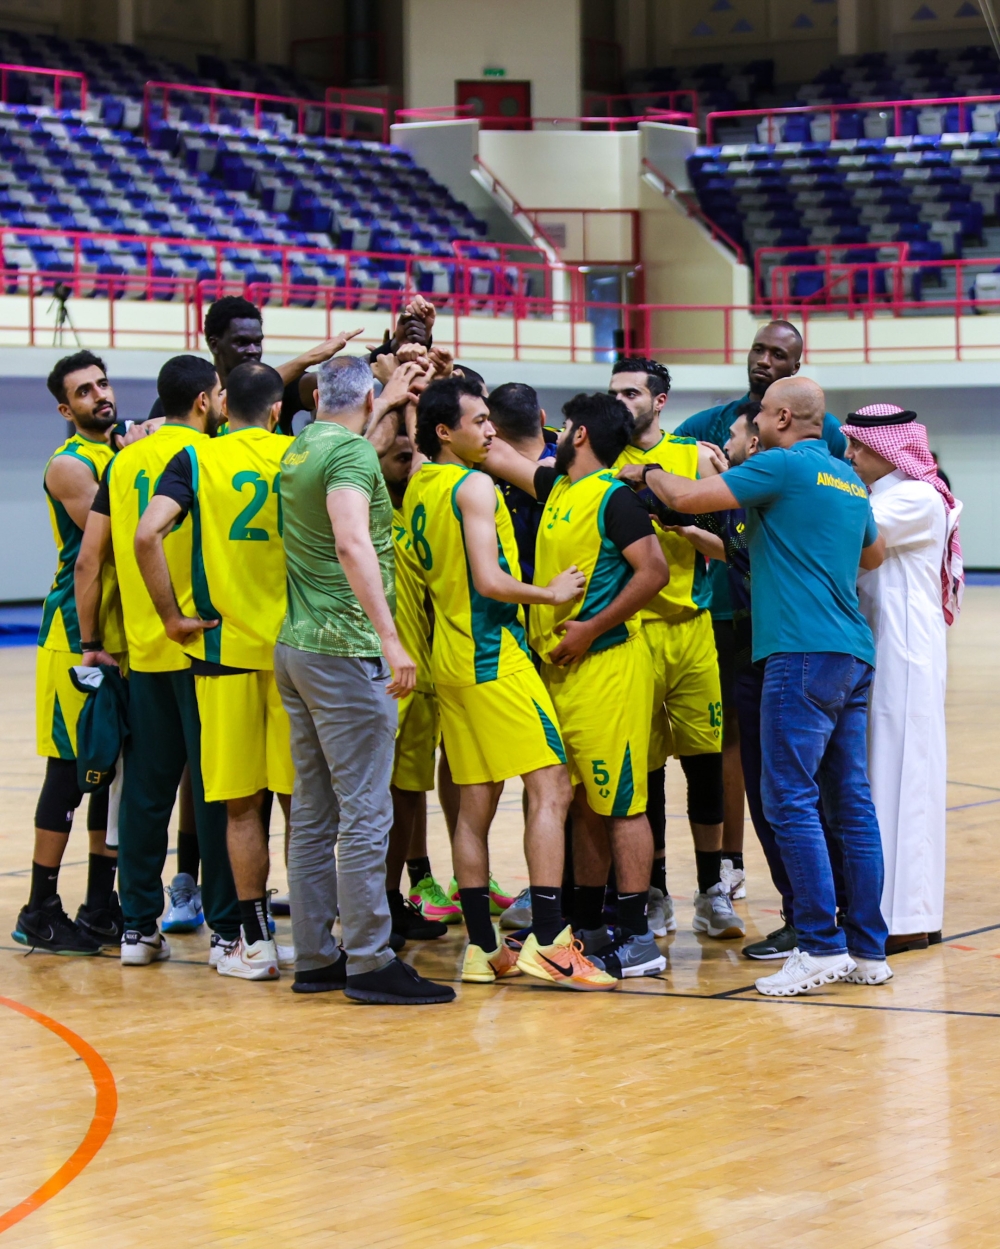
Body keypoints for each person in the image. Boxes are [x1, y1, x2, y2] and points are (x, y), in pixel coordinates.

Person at [628, 376, 892, 996]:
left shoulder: (781, 465)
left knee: (788, 800)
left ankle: (818, 946)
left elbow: (685, 495)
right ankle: (866, 950)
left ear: (779, 418)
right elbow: (873, 555)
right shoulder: (846, 478)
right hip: (851, 654)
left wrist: (647, 473)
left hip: (798, 652)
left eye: (759, 417)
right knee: (851, 804)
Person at [405, 377, 616, 990]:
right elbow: (489, 579)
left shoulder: (420, 482)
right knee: (552, 787)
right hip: (493, 655)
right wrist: (549, 593)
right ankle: (550, 941)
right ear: (445, 432)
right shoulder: (472, 486)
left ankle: (481, 948)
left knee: (474, 804)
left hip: (449, 661)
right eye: (477, 421)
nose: (490, 429)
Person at [273, 355, 454, 1003]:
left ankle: (316, 956)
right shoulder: (350, 455)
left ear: (317, 397)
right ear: (371, 398)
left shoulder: (302, 447)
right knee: (365, 813)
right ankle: (371, 960)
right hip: (347, 651)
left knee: (314, 814)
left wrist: (386, 400)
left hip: (296, 646)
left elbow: (348, 445)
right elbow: (352, 542)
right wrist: (390, 636)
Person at [484, 393, 670, 978]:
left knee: (622, 805)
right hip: (560, 669)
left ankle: (638, 938)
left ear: (581, 434)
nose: (557, 435)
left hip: (609, 666)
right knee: (584, 803)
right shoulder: (559, 487)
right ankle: (588, 923)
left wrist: (591, 628)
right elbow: (492, 453)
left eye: (564, 427)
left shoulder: (615, 498)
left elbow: (655, 572)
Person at [673, 321, 849, 900]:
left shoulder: (813, 442)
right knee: (736, 746)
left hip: (785, 622)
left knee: (789, 774)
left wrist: (651, 478)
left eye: (779, 354)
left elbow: (683, 495)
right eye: (759, 349)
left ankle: (813, 914)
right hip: (731, 609)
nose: (765, 360)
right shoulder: (709, 423)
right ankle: (737, 864)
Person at [134, 361, 297, 981]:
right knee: (301, 805)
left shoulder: (196, 459)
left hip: (221, 652)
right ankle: (312, 938)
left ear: (223, 408)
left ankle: (252, 943)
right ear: (278, 411)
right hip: (295, 652)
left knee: (239, 807)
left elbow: (147, 536)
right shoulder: (299, 456)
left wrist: (171, 617)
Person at [79, 355, 241, 966]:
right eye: (219, 392)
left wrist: (92, 639)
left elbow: (90, 561)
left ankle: (137, 930)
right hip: (207, 646)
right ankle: (226, 930)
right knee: (216, 791)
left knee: (146, 795)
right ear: (204, 401)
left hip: (144, 652)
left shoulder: (121, 463)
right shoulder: (212, 456)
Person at [609, 358, 743, 943]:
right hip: (632, 633)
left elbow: (729, 546)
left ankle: (713, 890)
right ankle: (656, 889)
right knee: (647, 771)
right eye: (614, 393)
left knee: (705, 763)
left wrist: (684, 525)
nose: (621, 402)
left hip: (691, 629)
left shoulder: (697, 458)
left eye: (631, 393)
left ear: (659, 400)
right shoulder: (601, 459)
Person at [12, 352, 122, 955]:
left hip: (118, 634)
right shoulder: (70, 464)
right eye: (84, 391)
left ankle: (100, 905)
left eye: (102, 384)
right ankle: (39, 908)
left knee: (110, 771)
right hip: (74, 636)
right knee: (69, 770)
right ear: (65, 408)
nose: (99, 395)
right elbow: (111, 543)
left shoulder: (119, 449)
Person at [844, 402, 963, 953]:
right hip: (886, 648)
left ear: (887, 450)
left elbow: (850, 533)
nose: (848, 455)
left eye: (857, 446)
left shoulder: (913, 497)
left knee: (903, 777)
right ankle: (892, 913)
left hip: (906, 654)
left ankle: (907, 918)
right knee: (881, 775)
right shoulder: (884, 495)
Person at [377, 428, 456, 940]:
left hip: (421, 675)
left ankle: (391, 898)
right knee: (371, 802)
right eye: (400, 455)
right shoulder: (362, 505)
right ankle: (364, 910)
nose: (412, 463)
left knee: (407, 795)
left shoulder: (420, 509)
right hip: (378, 677)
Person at [146, 295, 363, 435]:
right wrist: (307, 357)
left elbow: (335, 381)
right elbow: (152, 433)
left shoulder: (282, 387)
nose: (253, 350)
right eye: (241, 342)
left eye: (257, 342)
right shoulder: (184, 396)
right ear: (214, 344)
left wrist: (376, 358)